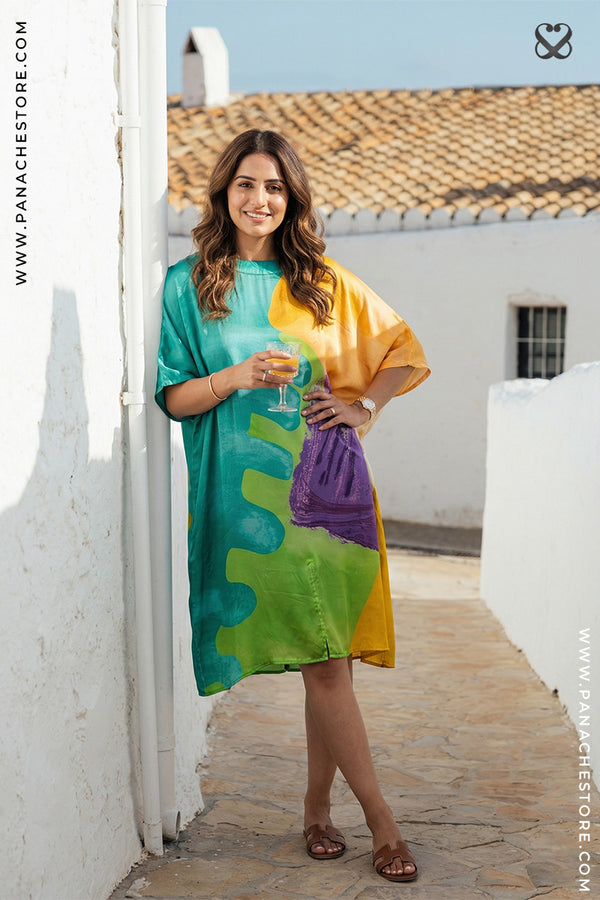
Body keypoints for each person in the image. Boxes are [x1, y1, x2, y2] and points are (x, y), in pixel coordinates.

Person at [155, 129, 430, 883]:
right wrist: (237, 376)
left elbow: (402, 352)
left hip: (326, 491)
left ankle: (369, 822)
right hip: (246, 503)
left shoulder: (321, 281)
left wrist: (362, 409)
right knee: (324, 657)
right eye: (247, 184)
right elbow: (174, 398)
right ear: (224, 193)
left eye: (275, 187)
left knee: (328, 661)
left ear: (292, 199)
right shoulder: (188, 286)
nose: (261, 200)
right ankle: (327, 814)